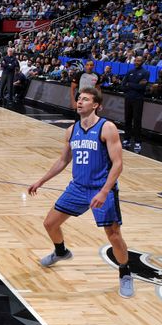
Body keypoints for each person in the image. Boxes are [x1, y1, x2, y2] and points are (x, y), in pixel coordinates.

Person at [27, 87, 134, 298]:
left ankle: (125, 272)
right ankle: (61, 252)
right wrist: (41, 180)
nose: (80, 102)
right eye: (79, 99)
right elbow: (63, 160)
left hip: (101, 189)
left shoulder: (107, 128)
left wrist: (104, 191)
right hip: (77, 187)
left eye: (85, 99)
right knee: (50, 223)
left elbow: (118, 164)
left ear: (95, 105)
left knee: (113, 235)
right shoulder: (71, 130)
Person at [121, 56, 150, 153]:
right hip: (128, 98)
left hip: (138, 99)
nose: (137, 62)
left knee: (137, 121)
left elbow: (142, 87)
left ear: (142, 62)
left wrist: (130, 84)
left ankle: (138, 142)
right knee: (127, 119)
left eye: (139, 61)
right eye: (136, 60)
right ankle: (126, 139)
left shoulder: (145, 72)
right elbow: (123, 85)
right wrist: (134, 85)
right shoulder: (130, 71)